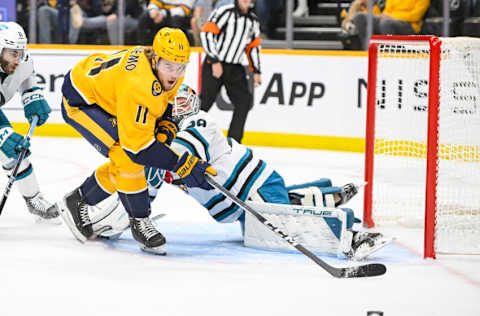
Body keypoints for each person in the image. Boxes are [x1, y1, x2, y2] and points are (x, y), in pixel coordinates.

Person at [92, 84, 391, 260]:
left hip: (253, 187)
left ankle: (351, 237)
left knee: (287, 230)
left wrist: (151, 154)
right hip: (239, 206)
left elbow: (182, 153)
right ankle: (323, 194)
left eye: (182, 103)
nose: (177, 110)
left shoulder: (200, 121)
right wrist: (125, 218)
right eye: (172, 105)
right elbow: (147, 190)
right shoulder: (160, 149)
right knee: (262, 226)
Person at [57, 27, 216, 255]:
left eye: (180, 67)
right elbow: (137, 150)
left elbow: (166, 101)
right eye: (169, 66)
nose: (174, 73)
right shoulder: (138, 86)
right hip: (83, 102)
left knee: (129, 157)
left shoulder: (161, 67)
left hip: (107, 92)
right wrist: (182, 164)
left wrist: (166, 128)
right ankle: (140, 221)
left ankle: (78, 200)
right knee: (126, 157)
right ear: (155, 58)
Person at [0, 22, 58, 221]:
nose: (17, 59)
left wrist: (31, 95)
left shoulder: (21, 61)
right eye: (12, 53)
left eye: (20, 52)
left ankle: (34, 200)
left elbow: (26, 75)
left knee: (14, 152)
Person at [200, 0, 261, 144]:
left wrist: (256, 70)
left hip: (235, 67)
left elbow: (253, 47)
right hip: (214, 64)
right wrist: (214, 60)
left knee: (244, 101)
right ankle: (184, 131)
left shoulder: (253, 20)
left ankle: (233, 143)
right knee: (205, 102)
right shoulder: (224, 11)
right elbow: (207, 33)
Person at [352, 0, 430, 50]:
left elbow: (416, 16)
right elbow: (387, 11)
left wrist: (392, 17)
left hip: (410, 25)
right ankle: (369, 50)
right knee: (359, 17)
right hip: (387, 20)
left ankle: (389, 53)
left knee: (385, 23)